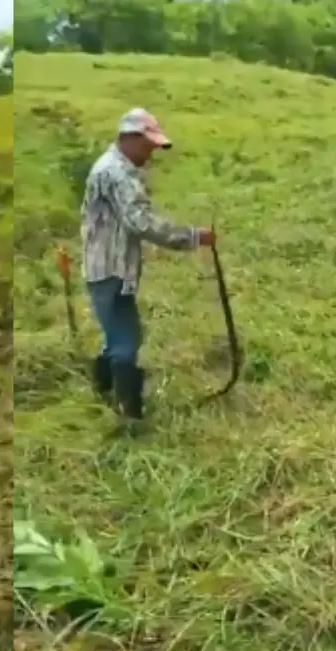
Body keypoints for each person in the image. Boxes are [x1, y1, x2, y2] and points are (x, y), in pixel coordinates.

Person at [81, 108, 216, 420]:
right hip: (109, 271)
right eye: (148, 146)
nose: (152, 154)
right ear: (129, 138)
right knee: (125, 342)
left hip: (113, 267)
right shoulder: (115, 173)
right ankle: (130, 416)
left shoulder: (119, 168)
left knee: (121, 335)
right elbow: (142, 223)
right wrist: (194, 237)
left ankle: (103, 387)